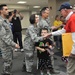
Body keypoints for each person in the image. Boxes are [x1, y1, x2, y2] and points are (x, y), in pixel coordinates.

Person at [47, 2, 75, 75]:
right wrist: (51, 33)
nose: (60, 13)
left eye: (61, 11)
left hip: (73, 51)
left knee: (70, 70)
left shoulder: (72, 19)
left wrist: (72, 52)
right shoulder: (70, 18)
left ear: (65, 10)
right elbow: (64, 30)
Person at [0, 4, 20, 75]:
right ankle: (5, 73)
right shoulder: (0, 21)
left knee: (10, 61)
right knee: (7, 62)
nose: (7, 11)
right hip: (5, 45)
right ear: (1, 11)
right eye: (5, 9)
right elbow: (4, 37)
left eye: (7, 9)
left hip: (9, 45)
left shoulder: (6, 20)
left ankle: (8, 72)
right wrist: (14, 44)